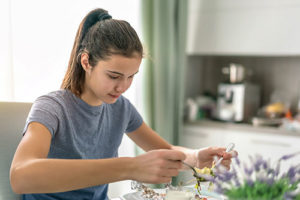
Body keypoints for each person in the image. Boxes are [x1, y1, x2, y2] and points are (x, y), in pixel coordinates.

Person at [10, 8, 236, 200]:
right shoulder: (52, 107)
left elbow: (164, 150)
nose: (123, 87)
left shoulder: (120, 108)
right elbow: (20, 176)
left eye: (131, 76)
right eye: (114, 76)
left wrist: (196, 157)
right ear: (86, 61)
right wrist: (130, 167)